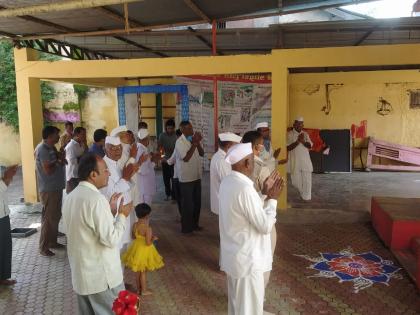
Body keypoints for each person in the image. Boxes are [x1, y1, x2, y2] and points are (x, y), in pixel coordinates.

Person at [62, 153, 133, 315]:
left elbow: (84, 228)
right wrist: (122, 215)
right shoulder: (96, 199)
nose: (109, 174)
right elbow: (111, 239)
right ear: (93, 175)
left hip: (82, 277)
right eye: (105, 170)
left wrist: (109, 212)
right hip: (102, 279)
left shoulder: (71, 197)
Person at [219, 143, 284, 315]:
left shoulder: (228, 182)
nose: (255, 165)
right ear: (247, 164)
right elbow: (265, 226)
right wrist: (273, 200)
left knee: (237, 308)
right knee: (249, 310)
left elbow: (247, 211)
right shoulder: (244, 189)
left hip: (236, 259)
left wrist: (263, 192)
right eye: (253, 162)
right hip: (248, 262)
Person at [100, 136, 139, 252]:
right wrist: (126, 178)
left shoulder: (116, 164)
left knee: (123, 247)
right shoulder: (103, 166)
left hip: (123, 213)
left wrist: (129, 177)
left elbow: (125, 187)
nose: (117, 151)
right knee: (116, 248)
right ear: (105, 149)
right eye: (112, 148)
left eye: (119, 148)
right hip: (114, 214)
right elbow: (111, 193)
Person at [35, 126, 66, 256]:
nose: (58, 137)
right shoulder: (42, 149)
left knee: (55, 216)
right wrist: (58, 161)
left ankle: (52, 242)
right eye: (56, 135)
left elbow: (56, 160)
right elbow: (47, 169)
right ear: (49, 136)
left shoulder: (50, 148)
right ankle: (43, 247)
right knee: (48, 219)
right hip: (49, 189)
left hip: (56, 187)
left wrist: (60, 154)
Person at [121, 203, 164, 296]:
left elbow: (133, 236)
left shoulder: (135, 225)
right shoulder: (148, 228)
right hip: (144, 250)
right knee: (143, 271)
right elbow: (148, 243)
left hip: (136, 248)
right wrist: (154, 238)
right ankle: (144, 290)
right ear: (147, 215)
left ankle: (138, 289)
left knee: (137, 272)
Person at [174, 121, 204, 234]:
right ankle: (186, 229)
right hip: (186, 179)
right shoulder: (179, 142)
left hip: (196, 176)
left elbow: (201, 153)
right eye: (188, 128)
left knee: (197, 203)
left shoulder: (193, 139)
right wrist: (194, 144)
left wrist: (198, 143)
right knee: (187, 205)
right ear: (182, 130)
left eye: (191, 127)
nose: (191, 130)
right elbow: (186, 158)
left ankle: (195, 224)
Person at [210, 132, 242, 215]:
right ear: (229, 146)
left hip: (224, 201)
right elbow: (229, 182)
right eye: (236, 145)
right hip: (224, 202)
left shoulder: (221, 156)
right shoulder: (222, 161)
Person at [287, 117, 313, 201]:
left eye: (301, 124)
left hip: (305, 161)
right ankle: (303, 193)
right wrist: (298, 141)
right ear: (294, 125)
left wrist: (303, 141)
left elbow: (310, 146)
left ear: (303, 125)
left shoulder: (305, 134)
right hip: (295, 161)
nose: (299, 125)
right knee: (295, 182)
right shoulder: (289, 134)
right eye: (297, 124)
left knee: (307, 181)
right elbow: (288, 148)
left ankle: (306, 198)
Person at [0, 165, 18, 286]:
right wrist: (6, 177)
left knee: (6, 246)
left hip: (3, 214)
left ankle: (3, 277)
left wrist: (8, 177)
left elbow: (2, 187)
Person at [136, 129, 159, 206]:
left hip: (143, 185)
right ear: (147, 139)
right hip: (145, 186)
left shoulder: (139, 148)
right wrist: (154, 162)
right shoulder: (142, 150)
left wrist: (152, 158)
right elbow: (143, 171)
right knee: (145, 208)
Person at [159, 119, 177, 201]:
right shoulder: (162, 136)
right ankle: (167, 194)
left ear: (174, 128)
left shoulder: (176, 136)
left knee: (174, 179)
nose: (169, 130)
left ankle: (174, 197)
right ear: (166, 128)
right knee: (166, 179)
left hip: (174, 161)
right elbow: (160, 148)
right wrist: (162, 157)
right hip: (165, 161)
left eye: (171, 128)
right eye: (168, 128)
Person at [165, 129, 182, 218]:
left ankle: (183, 216)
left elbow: (171, 160)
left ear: (178, 136)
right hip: (188, 176)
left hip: (178, 176)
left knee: (180, 198)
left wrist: (165, 160)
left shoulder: (178, 143)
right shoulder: (189, 143)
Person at [65, 126, 87, 193]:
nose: (85, 136)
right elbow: (72, 162)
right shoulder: (71, 146)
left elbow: (84, 154)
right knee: (72, 195)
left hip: (78, 174)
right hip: (72, 176)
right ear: (77, 135)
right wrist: (82, 157)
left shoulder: (80, 144)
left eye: (85, 134)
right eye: (83, 134)